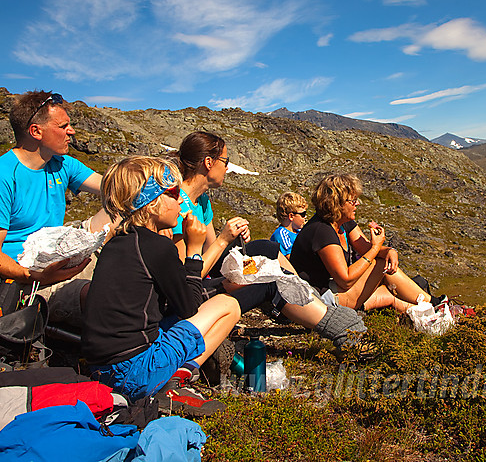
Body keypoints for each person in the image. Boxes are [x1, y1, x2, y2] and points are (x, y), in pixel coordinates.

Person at [167, 131, 367, 352]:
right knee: (269, 278)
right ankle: (335, 324)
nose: (227, 168)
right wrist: (225, 240)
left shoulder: (202, 200)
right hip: (190, 290)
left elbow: (214, 256)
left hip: (209, 273)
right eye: (226, 161)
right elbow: (185, 276)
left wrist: (235, 242)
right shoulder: (177, 207)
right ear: (208, 162)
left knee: (265, 248)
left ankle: (312, 301)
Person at [82, 156, 240, 401]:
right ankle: (179, 377)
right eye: (173, 193)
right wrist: (194, 249)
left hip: (101, 371)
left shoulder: (117, 242)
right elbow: (189, 306)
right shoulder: (157, 247)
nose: (180, 202)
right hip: (135, 373)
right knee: (228, 305)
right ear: (153, 203)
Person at [0, 91, 112, 324]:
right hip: (25, 276)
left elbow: (111, 186)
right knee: (101, 297)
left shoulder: (61, 163)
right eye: (63, 125)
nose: (71, 131)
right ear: (36, 131)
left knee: (124, 207)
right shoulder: (0, 176)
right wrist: (36, 276)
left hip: (58, 251)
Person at [290, 173, 443, 313]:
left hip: (334, 289)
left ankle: (434, 308)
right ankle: (436, 305)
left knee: (390, 282)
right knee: (381, 265)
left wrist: (390, 250)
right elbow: (346, 280)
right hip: (320, 299)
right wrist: (376, 247)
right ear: (337, 203)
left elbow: (365, 248)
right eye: (353, 200)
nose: (357, 204)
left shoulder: (343, 222)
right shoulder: (321, 231)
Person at [270, 192, 307, 259]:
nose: (305, 217)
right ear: (291, 216)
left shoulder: (299, 231)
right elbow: (291, 257)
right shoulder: (281, 234)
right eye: (303, 214)